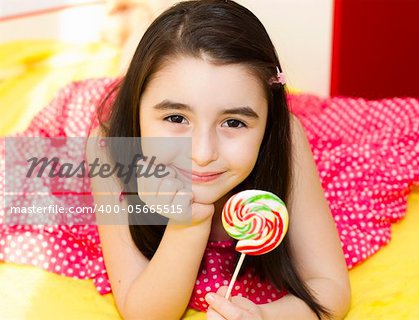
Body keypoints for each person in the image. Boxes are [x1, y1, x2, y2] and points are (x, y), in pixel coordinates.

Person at [88, 1, 350, 319]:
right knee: (122, 67)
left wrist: (264, 317)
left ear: (269, 123)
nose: (201, 153)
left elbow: (331, 287)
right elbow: (143, 313)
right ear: (137, 110)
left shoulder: (286, 136)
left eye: (234, 123)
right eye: (175, 117)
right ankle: (132, 23)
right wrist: (190, 222)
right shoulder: (111, 147)